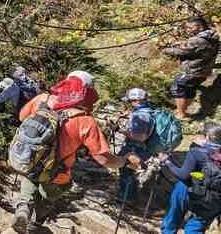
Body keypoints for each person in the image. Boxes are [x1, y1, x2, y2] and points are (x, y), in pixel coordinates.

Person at [12, 71, 141, 233]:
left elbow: (22, 116)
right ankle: (35, 223)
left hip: (29, 158)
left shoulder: (42, 99)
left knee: (32, 174)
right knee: (53, 191)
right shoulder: (85, 121)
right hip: (58, 172)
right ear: (86, 92)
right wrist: (125, 160)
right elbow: (104, 160)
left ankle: (23, 207)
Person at [159, 121, 221, 234]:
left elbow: (183, 175)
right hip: (214, 201)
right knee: (195, 228)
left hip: (194, 193)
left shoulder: (197, 153)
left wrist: (167, 162)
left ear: (207, 136)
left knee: (182, 186)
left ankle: (168, 230)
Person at [163, 16, 220, 120]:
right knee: (190, 90)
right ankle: (183, 110)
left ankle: (181, 114)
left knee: (179, 88)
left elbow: (183, 52)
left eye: (190, 28)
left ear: (199, 27)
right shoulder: (213, 36)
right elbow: (198, 49)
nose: (188, 30)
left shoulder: (196, 40)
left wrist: (166, 49)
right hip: (204, 70)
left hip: (193, 70)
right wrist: (182, 43)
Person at [116, 88, 157, 205]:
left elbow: (141, 136)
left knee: (126, 170)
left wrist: (121, 130)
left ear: (137, 101)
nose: (129, 103)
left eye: (131, 101)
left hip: (136, 148)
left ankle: (126, 198)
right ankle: (129, 195)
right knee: (129, 172)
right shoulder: (148, 111)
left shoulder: (141, 115)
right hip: (141, 148)